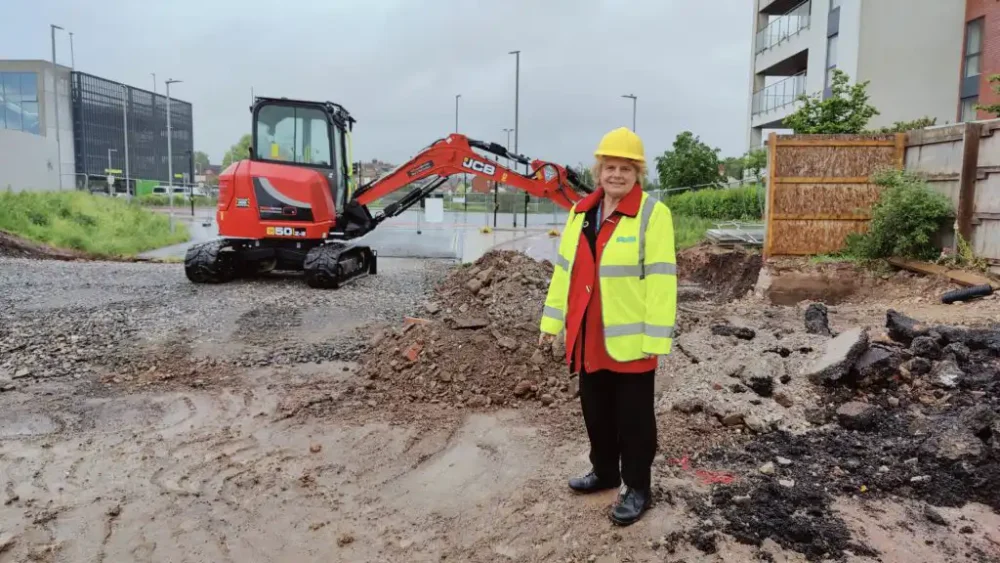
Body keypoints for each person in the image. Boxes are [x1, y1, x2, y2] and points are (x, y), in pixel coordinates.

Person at [538, 127, 677, 526]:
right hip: (588, 335)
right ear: (598, 171)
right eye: (610, 167)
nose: (616, 175)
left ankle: (637, 487)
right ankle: (604, 472)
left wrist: (656, 337)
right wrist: (551, 322)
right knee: (595, 411)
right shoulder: (580, 213)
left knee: (634, 418)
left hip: (632, 339)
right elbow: (564, 273)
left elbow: (662, 280)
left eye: (625, 168)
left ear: (637, 174)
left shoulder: (653, 214)